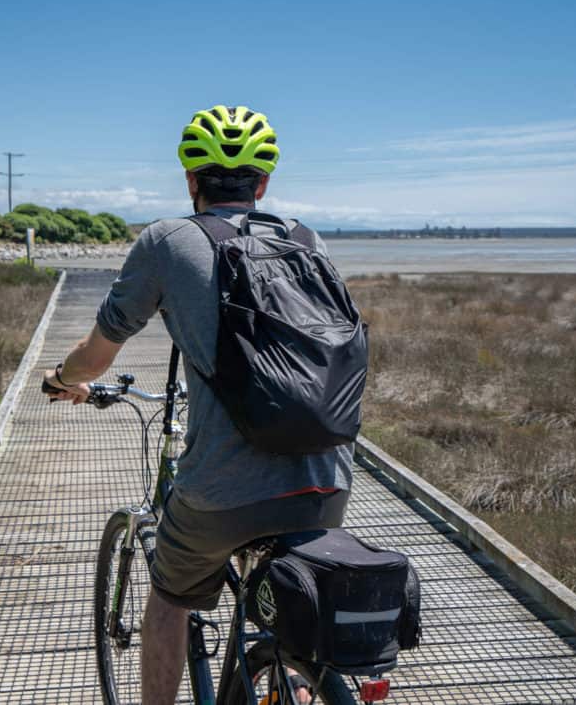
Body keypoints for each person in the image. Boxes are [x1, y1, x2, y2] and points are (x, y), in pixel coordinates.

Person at [42, 105, 353, 705]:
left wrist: (62, 377)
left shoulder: (166, 241)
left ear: (190, 179)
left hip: (224, 491)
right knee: (282, 606)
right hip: (327, 480)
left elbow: (97, 357)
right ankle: (291, 679)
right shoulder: (305, 240)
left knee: (169, 598)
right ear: (263, 186)